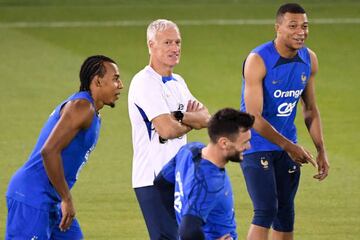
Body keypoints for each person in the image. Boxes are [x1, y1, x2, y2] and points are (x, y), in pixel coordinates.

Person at [5, 55, 124, 239]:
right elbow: (49, 151)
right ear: (98, 81)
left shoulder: (90, 110)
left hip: (52, 200)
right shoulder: (82, 107)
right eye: (115, 79)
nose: (121, 85)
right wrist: (67, 198)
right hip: (31, 197)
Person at [240, 3, 330, 240]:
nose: (301, 31)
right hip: (256, 146)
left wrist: (321, 150)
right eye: (293, 26)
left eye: (305, 26)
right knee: (266, 209)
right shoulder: (258, 59)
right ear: (278, 28)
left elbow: (310, 109)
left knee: (285, 213)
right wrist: (290, 146)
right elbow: (253, 118)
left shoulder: (309, 59)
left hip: (286, 148)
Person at [128, 19, 210, 239]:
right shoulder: (144, 82)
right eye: (167, 43)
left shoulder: (178, 82)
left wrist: (180, 117)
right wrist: (188, 123)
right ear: (151, 45)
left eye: (177, 42)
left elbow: (206, 118)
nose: (175, 48)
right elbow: (166, 130)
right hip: (152, 179)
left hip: (179, 176)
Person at [154, 108, 255, 240]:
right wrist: (185, 225)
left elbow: (162, 183)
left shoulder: (189, 150)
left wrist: (181, 218)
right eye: (244, 142)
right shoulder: (208, 183)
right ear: (224, 143)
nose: (249, 147)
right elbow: (188, 232)